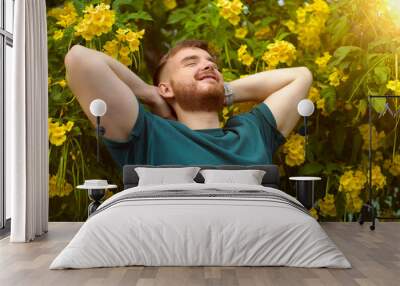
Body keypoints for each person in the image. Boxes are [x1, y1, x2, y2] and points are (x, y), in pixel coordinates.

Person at [64, 40, 313, 171]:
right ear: (166, 88)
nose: (209, 66)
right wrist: (150, 94)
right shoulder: (147, 135)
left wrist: (222, 91)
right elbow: (80, 59)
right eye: (191, 63)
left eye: (212, 64)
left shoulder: (253, 132)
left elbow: (301, 76)